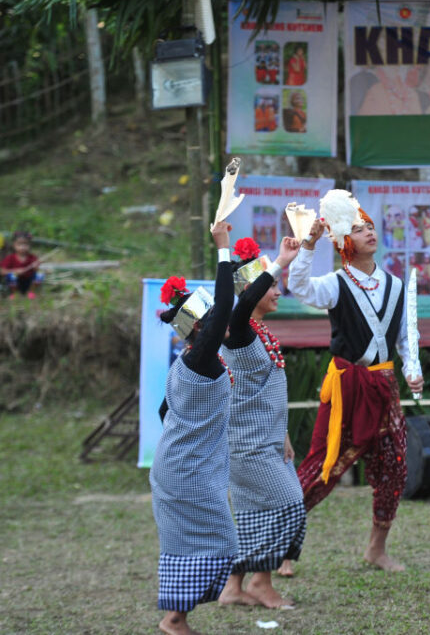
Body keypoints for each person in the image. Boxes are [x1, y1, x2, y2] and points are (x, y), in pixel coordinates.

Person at [283, 190, 423, 575]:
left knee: (395, 466)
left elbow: (407, 338)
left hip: (385, 385)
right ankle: (282, 548)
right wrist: (308, 244)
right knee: (323, 466)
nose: (369, 233)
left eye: (371, 227)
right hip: (347, 387)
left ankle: (376, 549)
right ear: (345, 242)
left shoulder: (396, 285)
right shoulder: (333, 284)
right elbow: (300, 287)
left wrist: (413, 368)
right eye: (359, 230)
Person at [151, 221, 237, 635]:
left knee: (190, 544)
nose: (219, 323)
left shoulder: (186, 363)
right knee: (219, 542)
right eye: (210, 321)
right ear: (200, 329)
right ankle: (173, 620)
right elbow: (224, 310)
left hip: (180, 465)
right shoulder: (200, 359)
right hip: (186, 471)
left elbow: (165, 413)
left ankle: (176, 618)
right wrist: (223, 250)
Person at [217, 238, 306, 608]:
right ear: (250, 291)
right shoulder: (238, 334)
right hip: (246, 445)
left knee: (257, 513)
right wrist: (280, 261)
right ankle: (260, 582)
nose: (278, 291)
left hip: (268, 442)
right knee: (289, 505)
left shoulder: (263, 335)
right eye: (270, 286)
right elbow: (238, 311)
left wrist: (282, 432)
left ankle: (232, 588)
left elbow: (264, 391)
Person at [2, 231, 42, 299]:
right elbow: (2, 271)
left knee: (40, 274)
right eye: (19, 244)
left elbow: (37, 270)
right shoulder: (10, 258)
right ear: (14, 245)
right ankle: (14, 293)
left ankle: (31, 291)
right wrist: (15, 271)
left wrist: (36, 267)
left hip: (28, 281)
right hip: (16, 282)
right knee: (11, 275)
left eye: (26, 244)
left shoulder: (32, 257)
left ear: (30, 245)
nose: (22, 247)